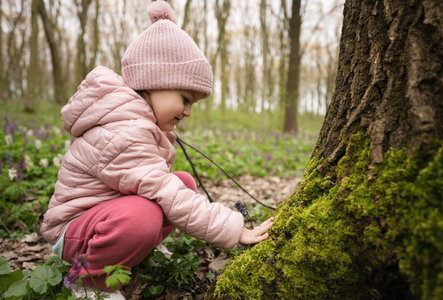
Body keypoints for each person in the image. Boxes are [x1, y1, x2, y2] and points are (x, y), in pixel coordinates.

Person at [40, 1, 274, 298]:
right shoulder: (123, 130)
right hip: (74, 235)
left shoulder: (136, 123)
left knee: (183, 182)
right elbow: (164, 191)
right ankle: (86, 282)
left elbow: (169, 188)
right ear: (153, 83)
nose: (188, 112)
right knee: (145, 214)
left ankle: (131, 252)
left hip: (101, 220)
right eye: (185, 99)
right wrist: (231, 228)